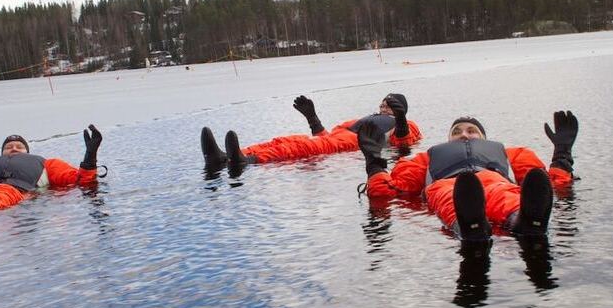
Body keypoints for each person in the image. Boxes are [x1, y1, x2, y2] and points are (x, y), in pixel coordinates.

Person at [356, 111, 578, 243]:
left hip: (495, 179)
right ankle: (468, 225)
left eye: (471, 130)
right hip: (447, 184)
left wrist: (562, 155)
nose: (464, 134)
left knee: (505, 194)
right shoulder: (425, 158)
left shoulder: (510, 154)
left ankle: (524, 220)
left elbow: (546, 185)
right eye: (457, 131)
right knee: (448, 196)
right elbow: (389, 191)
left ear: (484, 138)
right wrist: (374, 162)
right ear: (448, 139)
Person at [200, 93, 422, 171]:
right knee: (284, 140)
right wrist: (312, 118)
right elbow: (326, 138)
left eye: (389, 106)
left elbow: (404, 141)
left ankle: (247, 160)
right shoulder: (364, 119)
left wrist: (401, 119)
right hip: (336, 139)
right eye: (382, 104)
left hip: (353, 144)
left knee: (301, 147)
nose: (383, 107)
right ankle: (227, 156)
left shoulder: (405, 123)